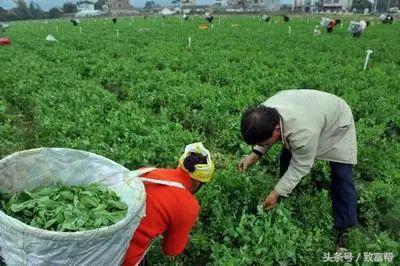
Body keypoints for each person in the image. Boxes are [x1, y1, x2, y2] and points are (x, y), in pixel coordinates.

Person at [238, 90, 358, 250]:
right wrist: (255, 154)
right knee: (286, 155)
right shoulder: (263, 114)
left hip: (336, 121)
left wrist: (275, 192)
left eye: (264, 142)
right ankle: (285, 195)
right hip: (310, 110)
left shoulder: (303, 133)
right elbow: (265, 137)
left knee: (341, 174)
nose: (263, 143)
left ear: (276, 130)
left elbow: (301, 165)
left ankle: (347, 229)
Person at [123, 143, 215, 266]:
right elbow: (171, 250)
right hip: (123, 257)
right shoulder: (189, 205)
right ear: (197, 183)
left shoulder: (145, 171)